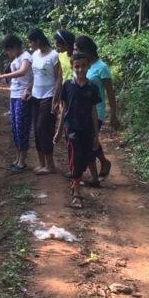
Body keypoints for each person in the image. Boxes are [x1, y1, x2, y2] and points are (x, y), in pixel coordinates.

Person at [54, 52, 102, 208]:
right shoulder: (68, 86)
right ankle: (77, 191)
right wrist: (59, 130)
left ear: (88, 66)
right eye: (77, 67)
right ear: (72, 67)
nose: (80, 70)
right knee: (75, 155)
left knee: (85, 157)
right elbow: (64, 110)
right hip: (71, 127)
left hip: (87, 128)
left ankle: (76, 182)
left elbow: (93, 112)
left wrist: (96, 134)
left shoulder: (92, 88)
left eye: (83, 66)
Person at [74, 35, 120, 178]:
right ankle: (104, 162)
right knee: (89, 139)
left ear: (85, 49)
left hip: (97, 111)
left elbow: (110, 93)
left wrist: (113, 114)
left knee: (88, 142)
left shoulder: (102, 67)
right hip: (81, 111)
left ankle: (92, 175)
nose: (73, 51)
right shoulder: (80, 65)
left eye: (76, 49)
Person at [0, 35, 32, 172]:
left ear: (14, 47)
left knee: (22, 128)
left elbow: (22, 72)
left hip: (23, 96)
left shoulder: (26, 56)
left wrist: (3, 76)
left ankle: (22, 161)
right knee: (15, 128)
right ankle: (18, 158)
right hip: (14, 95)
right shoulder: (17, 58)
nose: (7, 54)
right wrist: (0, 80)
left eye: (7, 50)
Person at [27, 28, 62, 175]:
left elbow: (59, 77)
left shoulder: (54, 56)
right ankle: (42, 163)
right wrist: (29, 90)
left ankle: (50, 165)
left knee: (45, 129)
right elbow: (33, 75)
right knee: (36, 129)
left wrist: (56, 98)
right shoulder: (34, 55)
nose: (30, 45)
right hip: (35, 96)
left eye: (31, 42)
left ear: (38, 40)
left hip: (48, 96)